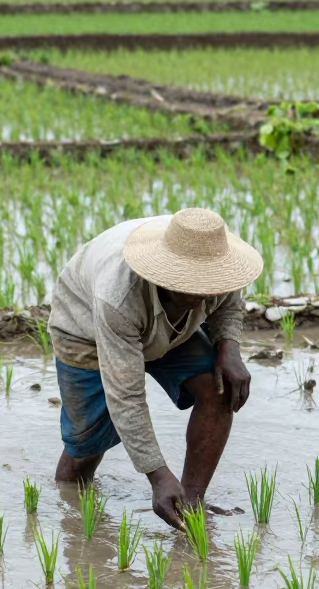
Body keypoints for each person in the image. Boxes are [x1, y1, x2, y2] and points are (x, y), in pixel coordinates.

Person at [48, 207, 263, 530]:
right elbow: (127, 396)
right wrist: (157, 475)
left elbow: (229, 298)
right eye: (190, 285)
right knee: (86, 446)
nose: (204, 294)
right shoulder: (118, 297)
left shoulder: (214, 267)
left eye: (210, 285)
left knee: (219, 387)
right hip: (86, 330)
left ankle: (189, 504)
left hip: (174, 329)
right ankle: (72, 516)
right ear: (164, 273)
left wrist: (228, 345)